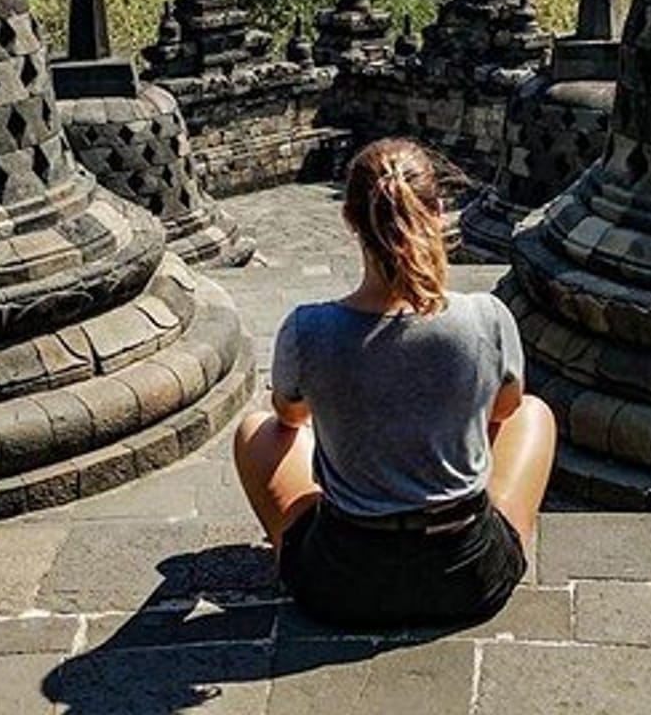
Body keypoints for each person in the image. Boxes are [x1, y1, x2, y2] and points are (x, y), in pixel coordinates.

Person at [233, 137, 557, 627]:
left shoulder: (308, 329)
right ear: (439, 210)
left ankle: (294, 548)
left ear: (349, 219)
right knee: (534, 413)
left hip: (340, 585)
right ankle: (489, 530)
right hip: (469, 580)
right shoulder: (486, 317)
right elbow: (506, 410)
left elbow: (290, 417)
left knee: (255, 430)